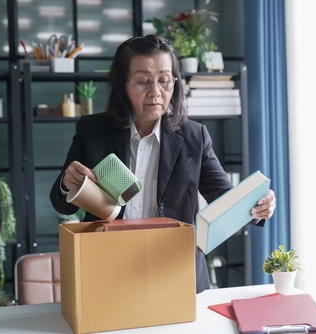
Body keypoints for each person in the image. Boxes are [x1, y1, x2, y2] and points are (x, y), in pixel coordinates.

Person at [50, 34, 276, 293]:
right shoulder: (93, 130)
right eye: (143, 81)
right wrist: (68, 183)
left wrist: (258, 205)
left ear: (175, 84)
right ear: (123, 84)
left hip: (173, 270)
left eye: (164, 80)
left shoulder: (195, 136)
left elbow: (225, 198)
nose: (155, 91)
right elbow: (60, 202)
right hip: (108, 267)